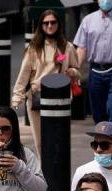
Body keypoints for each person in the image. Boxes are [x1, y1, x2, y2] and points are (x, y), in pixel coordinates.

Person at [13, 9, 80, 155]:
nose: (49, 26)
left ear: (58, 24)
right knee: (40, 142)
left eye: (53, 22)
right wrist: (17, 97)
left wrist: (72, 72)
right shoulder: (34, 47)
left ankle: (57, 174)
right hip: (37, 96)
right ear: (41, 25)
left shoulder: (67, 46)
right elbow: (24, 74)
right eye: (46, 23)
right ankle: (45, 174)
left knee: (58, 140)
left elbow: (76, 70)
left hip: (59, 97)